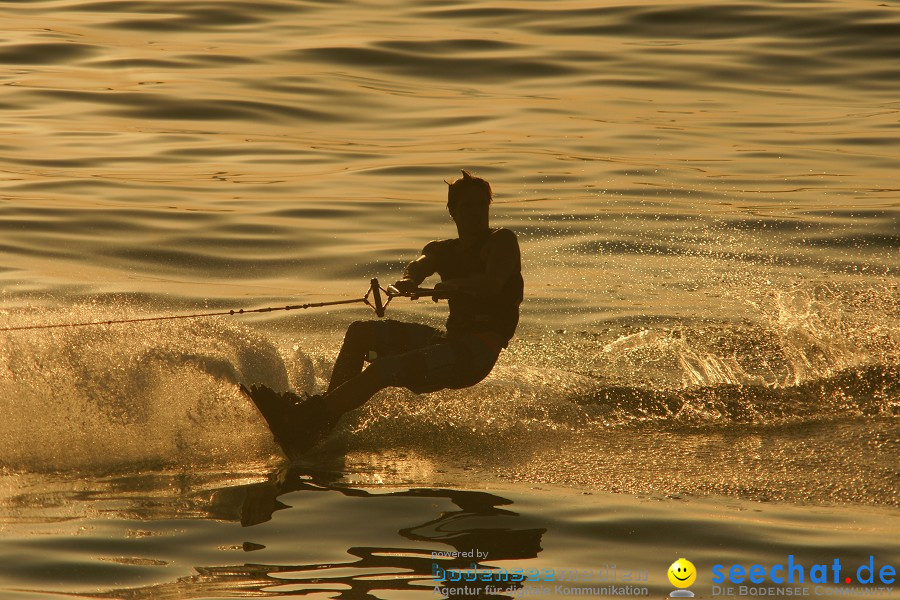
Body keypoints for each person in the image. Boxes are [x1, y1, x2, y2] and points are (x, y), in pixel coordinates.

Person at [244, 170, 523, 457]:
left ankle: (306, 421)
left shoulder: (501, 241)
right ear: (452, 211)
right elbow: (421, 263)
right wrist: (409, 280)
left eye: (482, 205)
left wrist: (452, 285)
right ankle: (320, 423)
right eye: (468, 206)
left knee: (384, 369)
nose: (477, 213)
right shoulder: (443, 250)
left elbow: (492, 283)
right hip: (449, 340)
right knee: (360, 332)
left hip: (477, 352)